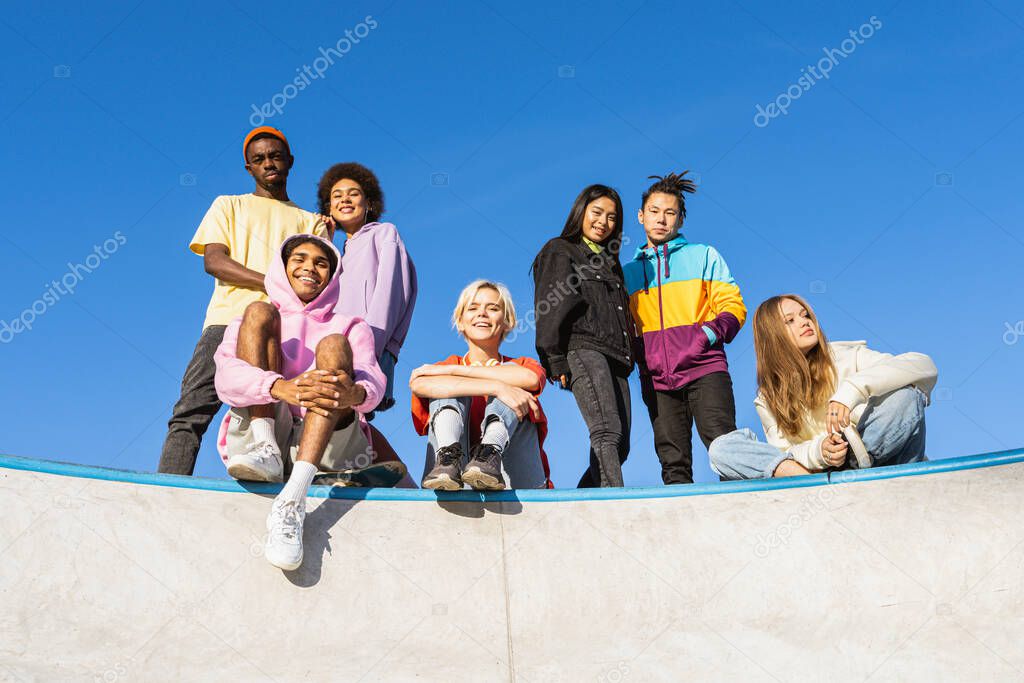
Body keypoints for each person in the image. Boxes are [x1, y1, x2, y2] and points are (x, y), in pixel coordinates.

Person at [158, 126, 328, 475]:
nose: (268, 163)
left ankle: (281, 485)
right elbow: (214, 261)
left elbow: (320, 280)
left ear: (290, 161)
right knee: (192, 409)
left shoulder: (310, 221)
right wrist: (274, 281)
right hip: (226, 320)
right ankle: (167, 488)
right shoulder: (228, 205)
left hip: (287, 328)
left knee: (288, 410)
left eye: (275, 156)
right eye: (259, 159)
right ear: (248, 168)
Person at [214, 234, 385, 570]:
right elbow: (226, 378)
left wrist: (357, 393)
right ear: (283, 267)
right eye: (300, 260)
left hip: (326, 444)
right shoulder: (247, 321)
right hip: (263, 434)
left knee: (334, 345)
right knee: (259, 311)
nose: (310, 268)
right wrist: (279, 387)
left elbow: (373, 378)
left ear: (333, 276)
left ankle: (292, 500)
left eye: (321, 263)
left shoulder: (351, 325)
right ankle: (266, 450)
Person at [709, 295, 937, 479]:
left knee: (906, 397)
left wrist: (851, 392)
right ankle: (811, 485)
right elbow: (783, 454)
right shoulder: (768, 397)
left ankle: (853, 471)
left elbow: (923, 364)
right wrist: (821, 451)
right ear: (773, 336)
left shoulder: (847, 356)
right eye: (790, 321)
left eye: (805, 315)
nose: (805, 322)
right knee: (722, 448)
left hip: (880, 460)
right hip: (819, 472)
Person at [622, 172, 747, 485]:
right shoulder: (627, 274)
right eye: (654, 211)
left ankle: (741, 520)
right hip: (656, 379)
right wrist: (641, 355)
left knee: (726, 450)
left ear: (680, 219)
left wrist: (704, 337)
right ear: (640, 216)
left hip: (705, 368)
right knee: (673, 463)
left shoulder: (703, 255)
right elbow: (624, 327)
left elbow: (733, 307)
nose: (661, 219)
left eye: (670, 212)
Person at [316, 162, 417, 480]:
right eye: (336, 196)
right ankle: (395, 479)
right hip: (337, 347)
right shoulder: (336, 251)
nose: (344, 199)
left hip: (370, 343)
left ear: (369, 202)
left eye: (353, 193)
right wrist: (323, 240)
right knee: (349, 416)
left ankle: (402, 484)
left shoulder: (383, 234)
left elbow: (389, 293)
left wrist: (369, 347)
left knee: (348, 409)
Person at [532, 184, 636, 488]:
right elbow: (550, 304)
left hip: (617, 356)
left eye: (612, 217)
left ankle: (583, 501)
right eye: (597, 212)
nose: (603, 222)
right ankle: (614, 503)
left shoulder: (610, 262)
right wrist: (554, 358)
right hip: (583, 347)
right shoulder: (561, 250)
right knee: (606, 430)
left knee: (622, 446)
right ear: (581, 212)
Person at [411, 280, 551, 491]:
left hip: (515, 479)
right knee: (446, 391)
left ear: (507, 321)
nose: (482, 313)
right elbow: (419, 384)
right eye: (473, 308)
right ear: (460, 321)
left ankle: (490, 455)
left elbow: (530, 379)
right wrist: (496, 387)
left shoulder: (521, 365)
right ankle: (447, 462)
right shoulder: (447, 366)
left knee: (512, 389)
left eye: (493, 308)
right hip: (458, 481)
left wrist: (457, 372)